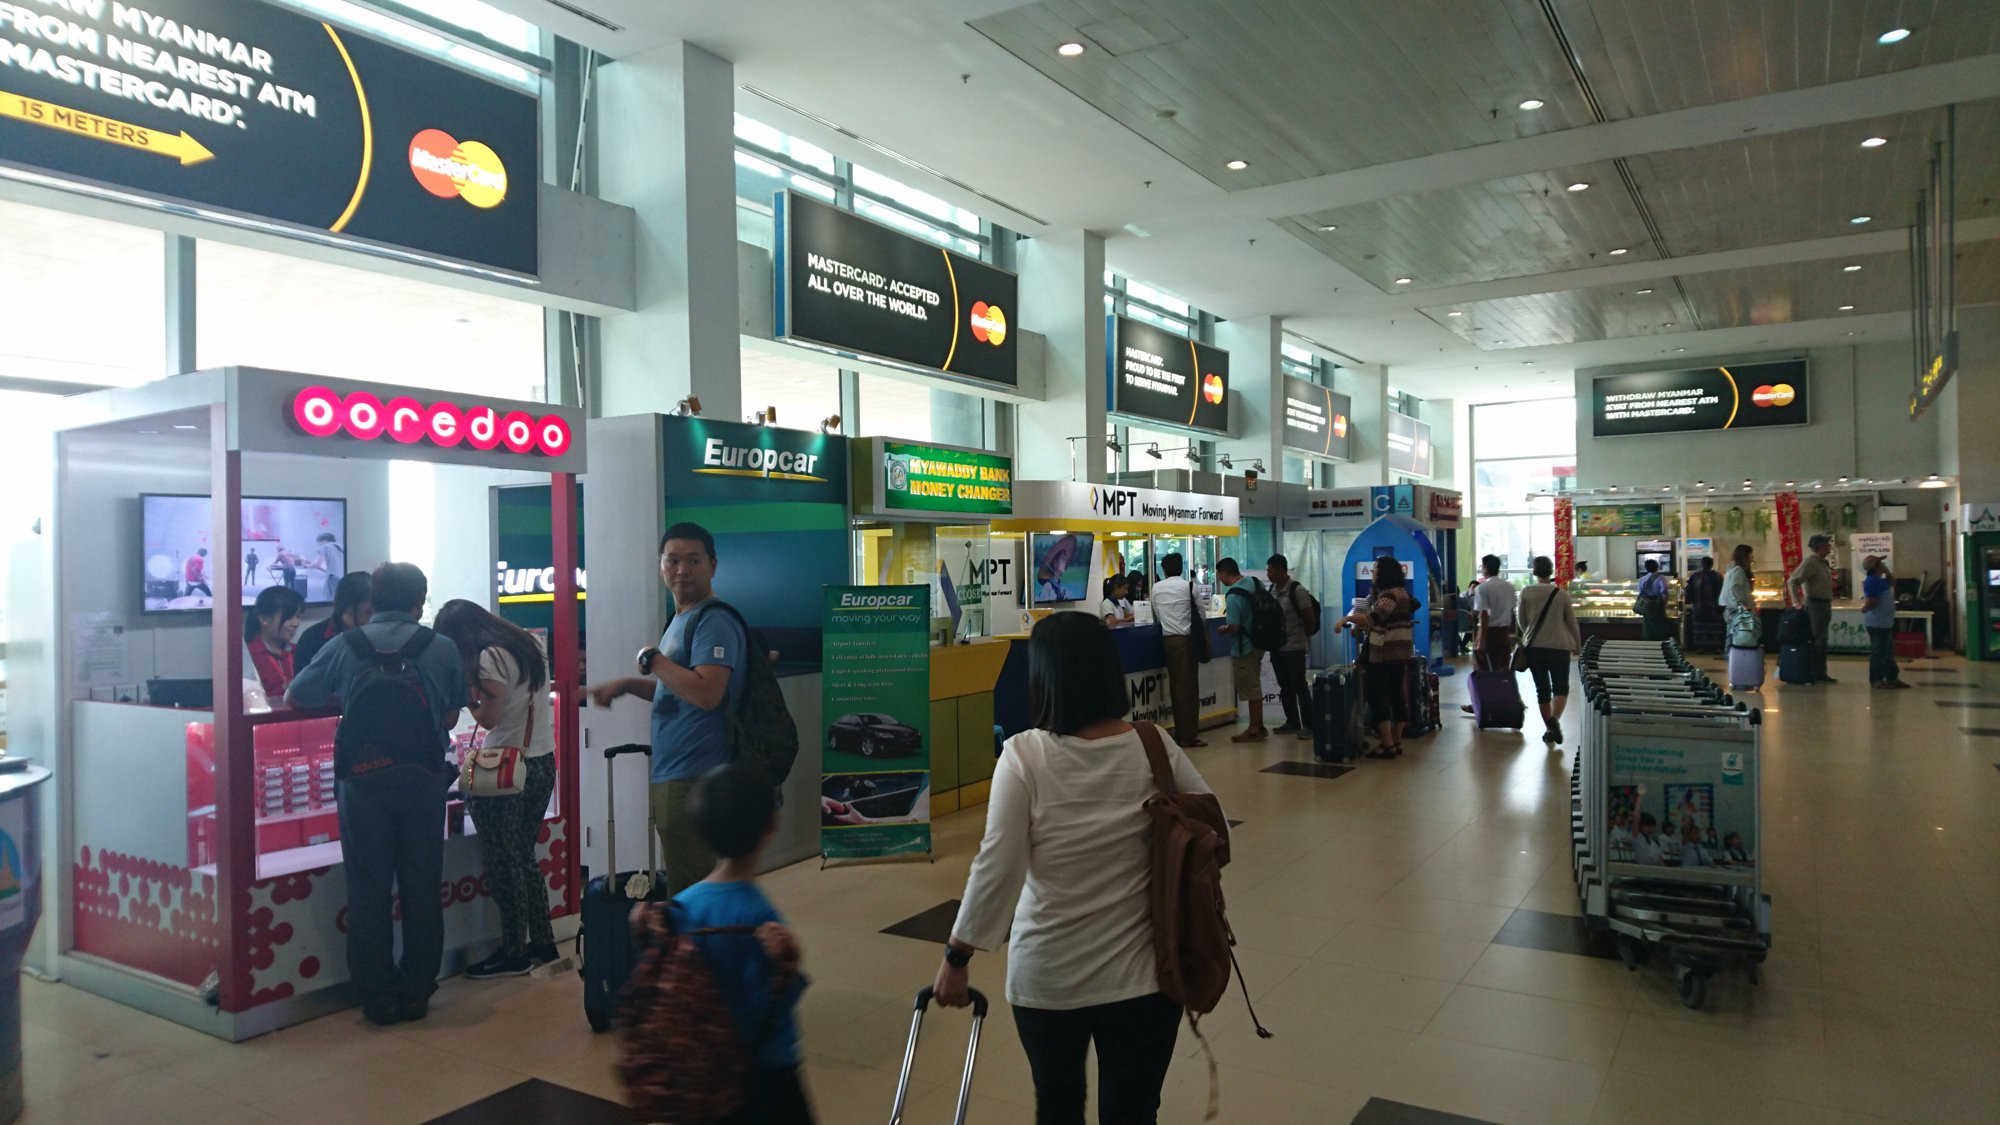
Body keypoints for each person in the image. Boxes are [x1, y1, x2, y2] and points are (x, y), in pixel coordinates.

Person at [934, 612, 1213, 1124]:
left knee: (1057, 1107)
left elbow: (999, 866)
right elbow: (1211, 828)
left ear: (1044, 677)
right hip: (1146, 980)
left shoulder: (1024, 756)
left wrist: (957, 956)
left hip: (1048, 980)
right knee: (1133, 1113)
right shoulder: (1153, 745)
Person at [286, 562, 467, 1025]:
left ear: (373, 600)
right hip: (422, 779)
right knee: (421, 886)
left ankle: (377, 997)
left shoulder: (345, 645)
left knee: (368, 888)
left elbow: (295, 696)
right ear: (419, 601)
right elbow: (450, 718)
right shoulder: (440, 647)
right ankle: (416, 992)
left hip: (362, 783)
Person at [586, 522, 748, 897]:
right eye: (672, 560)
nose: (682, 570)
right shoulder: (681, 619)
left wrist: (652, 658)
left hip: (696, 776)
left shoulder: (713, 619)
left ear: (713, 565)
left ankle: (701, 955)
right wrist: (628, 685)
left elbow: (708, 693)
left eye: (693, 560)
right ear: (660, 565)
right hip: (677, 773)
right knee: (690, 882)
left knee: (695, 892)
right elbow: (680, 691)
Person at [671, 762, 813, 1124]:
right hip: (765, 1073)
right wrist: (791, 965)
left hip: (704, 1071)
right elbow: (769, 1005)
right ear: (772, 825)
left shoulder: (682, 905)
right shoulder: (759, 916)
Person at [434, 599, 560, 978]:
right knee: (523, 856)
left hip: (502, 769)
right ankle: (543, 941)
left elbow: (489, 716)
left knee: (505, 862)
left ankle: (513, 951)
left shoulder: (489, 658)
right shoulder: (529, 645)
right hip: (541, 761)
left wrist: (463, 691)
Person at [1340, 556, 1418, 759]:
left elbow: (1372, 618)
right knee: (1397, 695)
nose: (1372, 574)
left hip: (1384, 653)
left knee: (1377, 696)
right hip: (1401, 652)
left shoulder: (1389, 596)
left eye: (1375, 570)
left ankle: (1387, 744)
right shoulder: (1402, 593)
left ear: (1385, 573)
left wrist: (1346, 619)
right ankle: (1396, 741)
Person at [1516, 555, 1582, 746]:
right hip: (1559, 647)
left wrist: (1529, 632)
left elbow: (1521, 620)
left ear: (1534, 571)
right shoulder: (1561, 594)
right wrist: (1577, 646)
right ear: (1551, 571)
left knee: (1542, 689)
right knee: (1561, 687)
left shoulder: (1526, 591)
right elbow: (1572, 623)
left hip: (1535, 647)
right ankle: (1553, 722)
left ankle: (1549, 729)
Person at [1150, 552, 1207, 749]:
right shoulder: (1189, 586)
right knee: (1189, 689)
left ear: (1163, 570)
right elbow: (1201, 613)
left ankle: (1180, 732)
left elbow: (1156, 614)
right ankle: (1188, 736)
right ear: (1181, 568)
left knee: (1176, 688)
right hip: (1187, 641)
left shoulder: (1156, 587)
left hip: (1168, 641)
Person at [1264, 554, 1316, 740]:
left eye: (1270, 570)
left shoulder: (1297, 590)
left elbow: (1310, 619)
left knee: (1299, 685)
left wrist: (1302, 639)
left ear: (1281, 570)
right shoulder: (1272, 590)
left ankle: (1309, 725)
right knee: (1285, 686)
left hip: (1294, 647)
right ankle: (1292, 721)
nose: (1268, 574)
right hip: (1277, 647)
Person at [1216, 558, 1267, 743]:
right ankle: (1259, 725)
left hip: (1244, 646)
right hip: (1260, 642)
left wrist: (1224, 629)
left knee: (1251, 686)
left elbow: (1235, 626)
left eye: (1219, 575)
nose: (1219, 578)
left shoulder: (1233, 596)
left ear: (1223, 573)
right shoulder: (1254, 582)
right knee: (1255, 683)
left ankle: (1254, 729)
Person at [295, 571, 374, 670]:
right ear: (347, 608)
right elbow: (302, 684)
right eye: (368, 612)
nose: (374, 618)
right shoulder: (312, 639)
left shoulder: (378, 636)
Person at [1788, 534, 1838, 684]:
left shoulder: (1822, 563)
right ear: (1820, 547)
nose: (1829, 547)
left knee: (1822, 640)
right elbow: (1792, 581)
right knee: (1815, 640)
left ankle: (1821, 672)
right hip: (1815, 604)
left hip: (1824, 604)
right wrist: (1796, 602)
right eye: (1826, 545)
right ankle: (1811, 671)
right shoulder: (1810, 562)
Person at [244, 585, 305, 699]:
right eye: (289, 617)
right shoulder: (247, 656)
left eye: (298, 616)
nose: (296, 623)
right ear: (264, 619)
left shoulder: (299, 651)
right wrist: (283, 688)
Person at [1861, 555, 1910, 689]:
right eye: (1880, 563)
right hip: (1877, 623)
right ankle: (1877, 679)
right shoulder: (1873, 581)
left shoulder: (1879, 580)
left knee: (1888, 652)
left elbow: (1891, 582)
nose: (1883, 564)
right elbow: (1872, 601)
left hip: (1885, 622)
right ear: (1875, 567)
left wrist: (1887, 572)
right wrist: (1866, 607)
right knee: (1879, 652)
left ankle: (1892, 678)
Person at [1469, 554, 1517, 672]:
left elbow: (1484, 615)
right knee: (1503, 671)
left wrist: (1481, 641)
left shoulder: (1482, 588)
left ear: (1485, 568)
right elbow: (1511, 611)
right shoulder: (1509, 587)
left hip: (1489, 635)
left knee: (1485, 672)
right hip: (1504, 634)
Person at [1683, 557, 1724, 652]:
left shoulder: (1695, 576)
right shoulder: (1718, 576)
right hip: (1714, 606)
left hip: (1699, 606)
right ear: (1712, 564)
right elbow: (1722, 590)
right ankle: (1716, 647)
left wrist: (1689, 600)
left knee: (1700, 626)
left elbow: (1689, 590)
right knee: (1715, 627)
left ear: (1702, 564)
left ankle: (1701, 646)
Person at [1036, 534, 1082, 603]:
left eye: (1065, 560)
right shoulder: (1048, 586)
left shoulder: (1062, 587)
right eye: (1062, 560)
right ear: (1055, 563)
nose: (1064, 563)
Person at [1636, 558, 1671, 642]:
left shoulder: (1642, 579)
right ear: (1657, 567)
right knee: (1660, 626)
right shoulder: (1661, 578)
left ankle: (1649, 643)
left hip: (1646, 606)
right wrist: (1664, 603)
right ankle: (1660, 644)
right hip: (1657, 605)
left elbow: (1640, 592)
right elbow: (1664, 592)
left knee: (1648, 626)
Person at [312, 532, 346, 602]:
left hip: (333, 577)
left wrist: (308, 565)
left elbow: (318, 564)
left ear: (324, 540)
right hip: (343, 575)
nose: (319, 545)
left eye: (320, 542)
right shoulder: (340, 547)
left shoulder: (325, 547)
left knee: (332, 597)